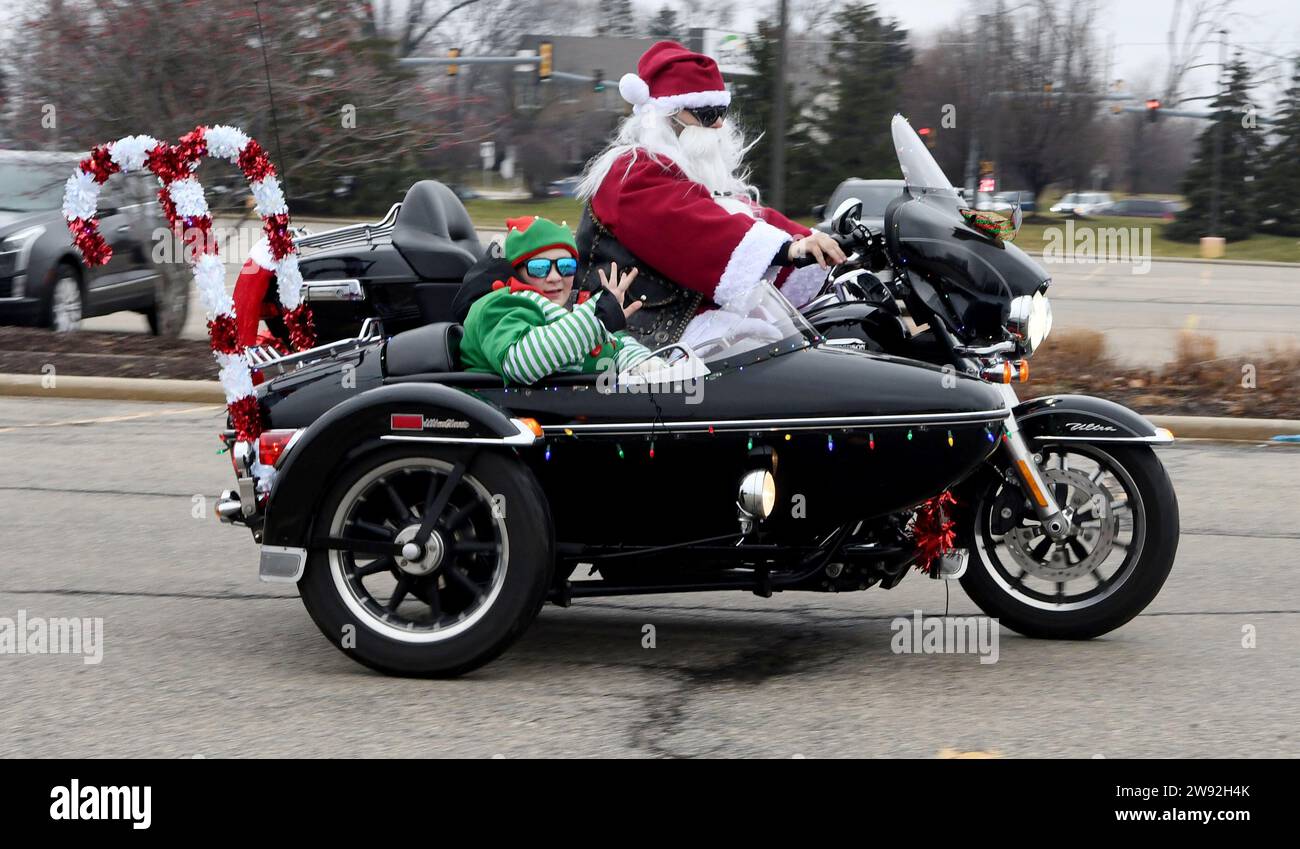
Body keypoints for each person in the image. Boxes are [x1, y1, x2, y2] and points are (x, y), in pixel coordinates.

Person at [574, 40, 846, 349]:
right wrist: (789, 250)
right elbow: (692, 226)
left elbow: (738, 214)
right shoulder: (631, 172)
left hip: (676, 321)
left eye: (721, 111)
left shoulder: (683, 173)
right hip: (630, 334)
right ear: (667, 115)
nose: (718, 123)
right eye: (706, 113)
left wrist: (820, 244)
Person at [458, 216, 660, 384]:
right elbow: (522, 363)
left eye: (565, 266)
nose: (555, 277)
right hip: (514, 415)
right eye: (539, 267)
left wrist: (644, 364)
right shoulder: (499, 305)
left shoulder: (571, 308)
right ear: (517, 272)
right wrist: (596, 319)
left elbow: (615, 347)